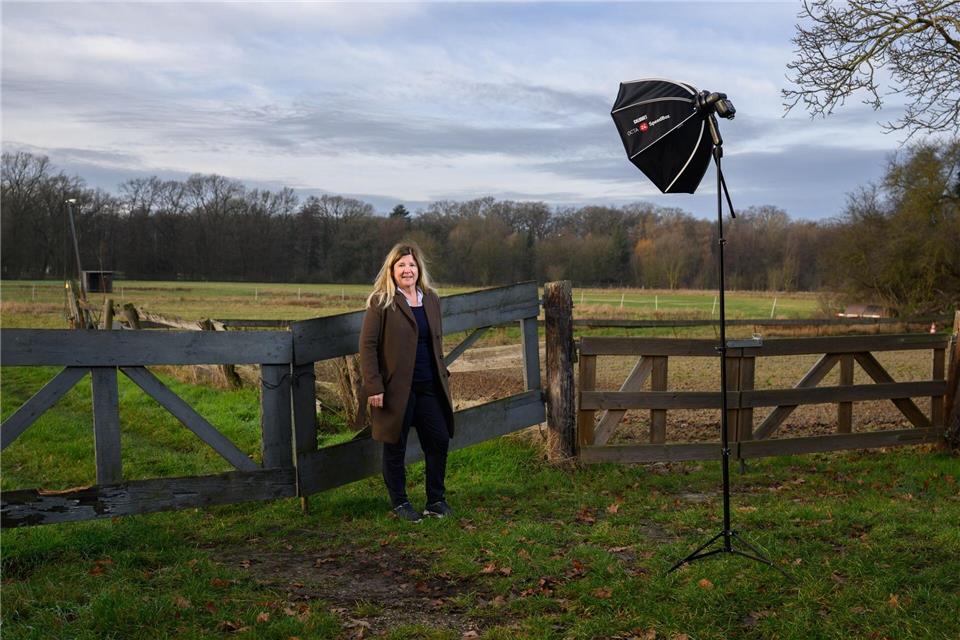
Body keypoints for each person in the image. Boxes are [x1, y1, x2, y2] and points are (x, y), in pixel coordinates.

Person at [359, 242, 455, 523]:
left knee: (438, 439)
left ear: (419, 269)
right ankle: (400, 503)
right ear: (391, 270)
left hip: (429, 387)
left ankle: (435, 500)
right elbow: (367, 346)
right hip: (395, 390)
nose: (407, 269)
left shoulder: (431, 300)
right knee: (395, 445)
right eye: (401, 265)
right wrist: (374, 385)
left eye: (411, 264)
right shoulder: (381, 302)